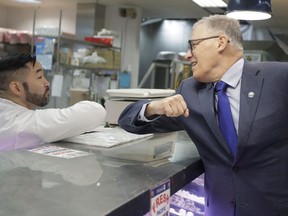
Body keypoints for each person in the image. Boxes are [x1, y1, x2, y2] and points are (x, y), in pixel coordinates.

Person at [118, 14, 288, 216]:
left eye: (193, 45)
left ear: (220, 42)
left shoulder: (278, 77)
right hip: (219, 210)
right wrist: (154, 107)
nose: (187, 55)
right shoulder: (189, 91)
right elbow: (128, 121)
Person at [0, 53, 106, 151]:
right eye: (39, 77)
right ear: (17, 88)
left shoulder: (6, 114)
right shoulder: (23, 123)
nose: (47, 83)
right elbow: (96, 112)